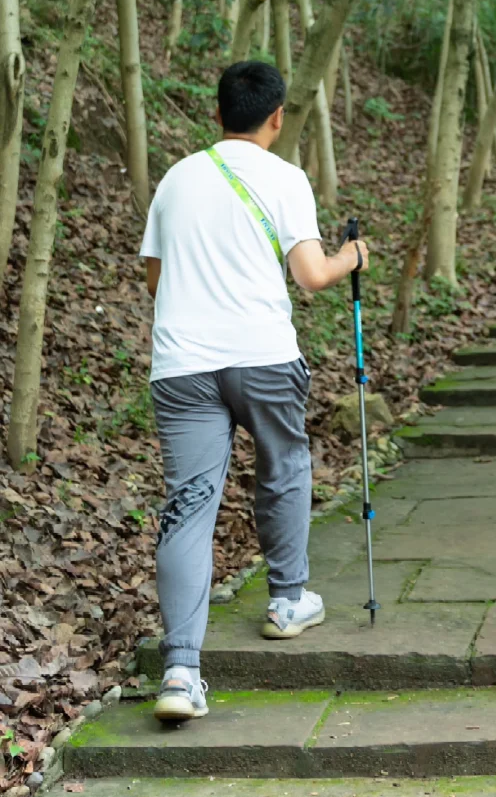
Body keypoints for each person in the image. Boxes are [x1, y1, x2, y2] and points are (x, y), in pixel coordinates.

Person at [140, 61, 368, 723]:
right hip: (263, 355)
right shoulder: (285, 177)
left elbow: (157, 280)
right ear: (277, 117)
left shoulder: (176, 179)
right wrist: (352, 256)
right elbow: (311, 274)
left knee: (189, 503)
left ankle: (181, 668)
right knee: (285, 468)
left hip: (182, 362)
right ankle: (288, 599)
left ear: (217, 115)